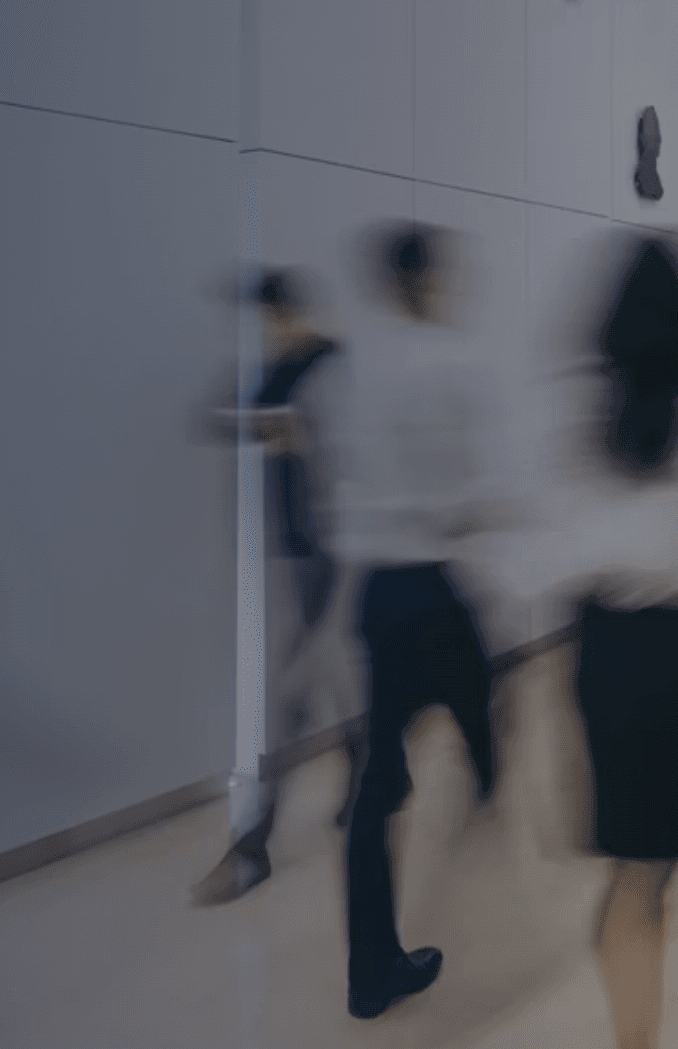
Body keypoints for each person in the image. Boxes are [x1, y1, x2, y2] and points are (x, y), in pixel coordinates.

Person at [545, 232, 678, 1049]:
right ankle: (634, 1029)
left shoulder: (579, 408)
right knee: (648, 871)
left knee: (635, 867)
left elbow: (550, 547)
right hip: (670, 652)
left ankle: (631, 1006)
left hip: (600, 649)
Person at [339, 224, 503, 1020]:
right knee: (481, 694)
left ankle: (370, 972)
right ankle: (490, 786)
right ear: (429, 280)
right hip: (432, 583)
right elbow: (465, 484)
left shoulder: (356, 365)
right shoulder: (449, 360)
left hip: (377, 590)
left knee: (374, 790)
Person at [194, 271, 361, 906]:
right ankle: (370, 782)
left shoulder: (335, 365)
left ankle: (251, 846)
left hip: (341, 551)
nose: (264, 333)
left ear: (289, 311)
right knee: (334, 683)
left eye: (269, 320)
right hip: (300, 552)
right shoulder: (273, 368)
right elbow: (214, 417)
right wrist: (269, 423)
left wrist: (303, 432)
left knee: (290, 695)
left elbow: (357, 451)